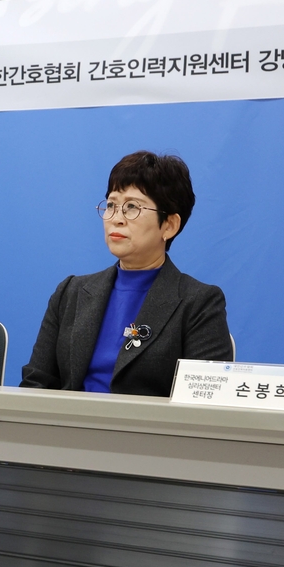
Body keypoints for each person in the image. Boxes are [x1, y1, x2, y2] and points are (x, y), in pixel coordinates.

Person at [20, 151, 231, 396]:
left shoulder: (199, 303)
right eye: (111, 205)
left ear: (169, 225)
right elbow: (36, 384)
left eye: (132, 207)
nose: (116, 219)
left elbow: (203, 402)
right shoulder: (70, 293)